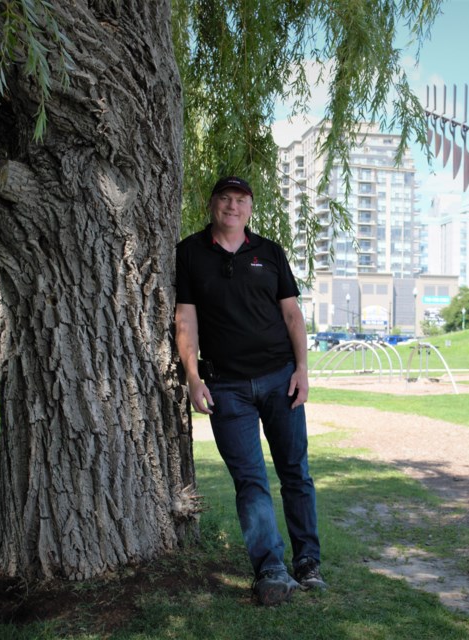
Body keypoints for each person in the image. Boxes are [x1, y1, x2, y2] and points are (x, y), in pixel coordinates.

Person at [175, 176, 326, 606]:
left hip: (281, 380)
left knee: (295, 473)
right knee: (251, 480)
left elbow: (293, 316)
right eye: (225, 198)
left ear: (250, 208)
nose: (233, 206)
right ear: (212, 204)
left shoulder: (269, 252)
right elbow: (185, 319)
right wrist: (192, 375)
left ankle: (308, 563)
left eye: (241, 200)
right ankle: (271, 569)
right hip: (227, 387)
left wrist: (302, 370)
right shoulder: (189, 253)